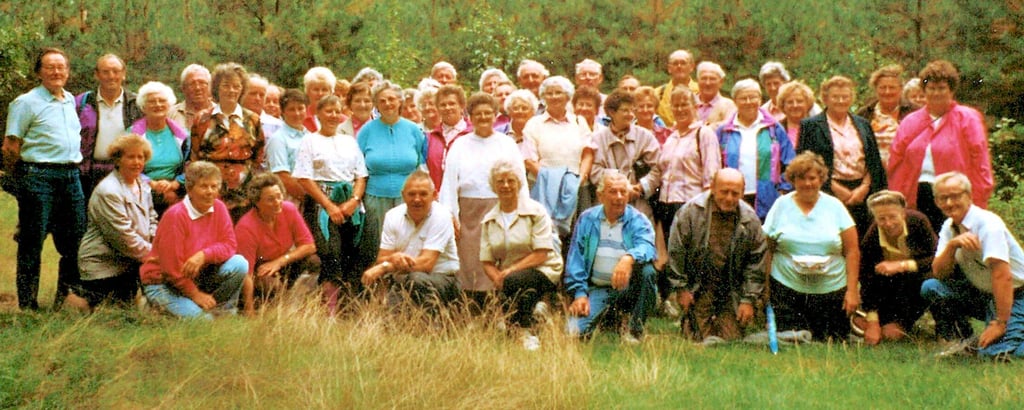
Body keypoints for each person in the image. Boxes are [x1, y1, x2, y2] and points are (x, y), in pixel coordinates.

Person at [3, 47, 88, 310]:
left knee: (74, 242)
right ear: (39, 71)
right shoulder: (25, 103)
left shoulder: (69, 100)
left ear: (68, 71)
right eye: (50, 67)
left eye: (61, 67)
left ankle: (64, 300)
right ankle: (28, 305)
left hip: (70, 175)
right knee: (32, 242)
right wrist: (22, 179)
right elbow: (10, 146)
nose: (56, 71)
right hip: (38, 175)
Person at [439, 92, 528, 305]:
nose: (483, 117)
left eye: (488, 113)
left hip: (501, 206)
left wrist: (522, 210)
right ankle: (472, 308)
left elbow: (520, 179)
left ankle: (499, 307)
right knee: (471, 261)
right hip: (469, 211)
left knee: (500, 257)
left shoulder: (506, 144)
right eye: (478, 113)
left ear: (496, 115)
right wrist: (450, 215)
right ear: (469, 116)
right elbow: (449, 182)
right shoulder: (460, 145)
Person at [923, 172, 1024, 358]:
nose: (949, 203)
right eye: (943, 198)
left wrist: (1000, 322)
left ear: (969, 196)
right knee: (931, 287)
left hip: (1016, 294)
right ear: (936, 202)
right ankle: (964, 340)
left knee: (995, 354)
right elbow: (939, 272)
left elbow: (1003, 276)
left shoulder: (988, 225)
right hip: (984, 294)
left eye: (955, 196)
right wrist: (953, 245)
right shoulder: (949, 226)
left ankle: (1001, 336)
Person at [762, 152, 860, 340]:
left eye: (812, 178)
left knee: (832, 339)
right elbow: (767, 249)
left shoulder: (835, 206)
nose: (807, 183)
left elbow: (852, 250)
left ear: (821, 179)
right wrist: (766, 288)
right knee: (792, 339)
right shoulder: (781, 205)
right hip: (787, 286)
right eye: (801, 178)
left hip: (831, 289)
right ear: (792, 180)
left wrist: (852, 291)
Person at [640, 86, 722, 311]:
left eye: (684, 104)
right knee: (670, 255)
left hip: (692, 204)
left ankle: (696, 303)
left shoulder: (703, 134)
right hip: (667, 203)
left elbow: (712, 174)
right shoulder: (671, 137)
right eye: (675, 105)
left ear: (694, 106)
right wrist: (638, 188)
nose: (680, 109)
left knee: (691, 256)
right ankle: (670, 301)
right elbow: (659, 172)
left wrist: (707, 206)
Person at [888, 60, 993, 232]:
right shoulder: (910, 121)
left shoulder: (968, 118)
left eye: (942, 88)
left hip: (954, 197)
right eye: (931, 88)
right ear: (924, 90)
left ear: (951, 90)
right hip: (917, 197)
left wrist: (977, 204)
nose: (936, 93)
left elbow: (980, 163)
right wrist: (897, 201)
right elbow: (896, 163)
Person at [668, 168, 766, 343]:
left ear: (743, 193)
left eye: (735, 193)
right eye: (724, 192)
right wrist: (682, 289)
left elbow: (756, 262)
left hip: (731, 289)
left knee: (730, 340)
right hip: (699, 286)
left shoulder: (750, 220)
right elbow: (676, 252)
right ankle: (690, 319)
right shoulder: (690, 212)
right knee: (698, 338)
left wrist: (748, 300)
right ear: (712, 188)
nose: (729, 198)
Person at [140, 161, 248, 319]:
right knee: (204, 322)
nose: (210, 192)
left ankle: (224, 313)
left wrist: (204, 255)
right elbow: (171, 270)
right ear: (189, 189)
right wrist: (195, 294)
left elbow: (230, 245)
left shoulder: (219, 207)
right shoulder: (176, 216)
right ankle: (152, 306)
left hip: (197, 277)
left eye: (214, 186)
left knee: (239, 263)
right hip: (163, 283)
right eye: (204, 186)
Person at [292, 95, 368, 314]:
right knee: (330, 252)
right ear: (318, 113)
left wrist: (353, 201)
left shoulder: (349, 141)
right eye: (328, 111)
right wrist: (329, 206)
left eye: (337, 111)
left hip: (349, 202)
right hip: (320, 203)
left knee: (350, 252)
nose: (333, 116)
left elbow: (360, 175)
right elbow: (304, 177)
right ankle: (329, 310)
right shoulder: (310, 140)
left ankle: (349, 307)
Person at [565, 171, 657, 344]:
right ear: (600, 196)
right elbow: (575, 260)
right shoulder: (587, 219)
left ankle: (634, 331)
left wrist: (628, 258)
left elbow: (648, 247)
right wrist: (580, 294)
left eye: (623, 192)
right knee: (573, 334)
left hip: (628, 289)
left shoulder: (638, 220)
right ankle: (609, 320)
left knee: (648, 272)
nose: (619, 197)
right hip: (598, 288)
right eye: (613, 192)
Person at [480, 160, 563, 350]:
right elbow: (486, 260)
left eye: (511, 181)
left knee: (515, 283)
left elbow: (542, 253)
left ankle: (525, 332)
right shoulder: (489, 220)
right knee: (516, 288)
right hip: (510, 277)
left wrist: (509, 272)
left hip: (544, 269)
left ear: (519, 184)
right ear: (494, 186)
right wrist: (498, 279)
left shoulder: (536, 212)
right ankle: (535, 314)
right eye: (500, 181)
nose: (506, 185)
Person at [74, 134, 158, 310]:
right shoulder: (109, 191)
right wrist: (157, 256)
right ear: (118, 160)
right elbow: (123, 238)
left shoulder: (142, 183)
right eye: (131, 157)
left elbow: (152, 218)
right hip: (104, 267)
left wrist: (156, 243)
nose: (137, 162)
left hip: (131, 262)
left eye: (140, 157)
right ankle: (77, 301)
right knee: (115, 315)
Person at [797, 75, 887, 238]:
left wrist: (864, 187)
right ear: (825, 98)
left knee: (863, 240)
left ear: (852, 98)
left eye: (845, 97)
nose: (840, 101)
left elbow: (873, 159)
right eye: (835, 97)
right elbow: (805, 162)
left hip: (863, 192)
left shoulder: (863, 123)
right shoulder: (810, 126)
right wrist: (836, 188)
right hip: (828, 190)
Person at [362, 170, 460, 311]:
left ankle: (435, 326)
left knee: (416, 279)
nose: (417, 199)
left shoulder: (442, 216)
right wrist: (393, 258)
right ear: (403, 196)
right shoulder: (392, 216)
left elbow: (426, 264)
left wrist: (387, 266)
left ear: (434, 195)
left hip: (441, 280)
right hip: (405, 280)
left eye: (423, 194)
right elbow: (381, 258)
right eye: (412, 194)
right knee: (389, 322)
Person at [357, 81, 427, 274]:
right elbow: (357, 167)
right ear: (376, 105)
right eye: (382, 100)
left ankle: (406, 291)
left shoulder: (414, 130)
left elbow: (421, 165)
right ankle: (379, 293)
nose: (387, 104)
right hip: (375, 199)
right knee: (379, 247)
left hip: (410, 199)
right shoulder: (366, 131)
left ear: (400, 101)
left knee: (409, 245)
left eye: (391, 99)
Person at [858, 190, 935, 345]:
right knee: (889, 334)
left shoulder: (918, 222)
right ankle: (875, 319)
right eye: (881, 219)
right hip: (888, 287)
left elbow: (934, 258)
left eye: (893, 217)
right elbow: (867, 278)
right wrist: (873, 322)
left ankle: (933, 326)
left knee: (930, 281)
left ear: (903, 214)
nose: (888, 223)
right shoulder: (871, 237)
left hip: (918, 282)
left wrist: (901, 265)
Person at [191, 62, 266, 221]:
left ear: (242, 89)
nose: (231, 90)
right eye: (226, 85)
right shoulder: (202, 119)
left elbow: (258, 154)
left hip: (243, 191)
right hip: (210, 190)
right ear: (217, 87)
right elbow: (194, 155)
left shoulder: (252, 120)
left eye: (236, 86)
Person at [235, 173, 317, 313]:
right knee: (272, 285)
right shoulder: (246, 227)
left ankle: (299, 305)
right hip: (259, 271)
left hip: (282, 262)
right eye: (270, 199)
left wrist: (280, 261)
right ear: (257, 202)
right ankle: (273, 311)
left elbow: (309, 246)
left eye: (279, 196)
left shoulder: (289, 209)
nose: (278, 202)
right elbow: (246, 275)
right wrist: (249, 312)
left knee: (314, 261)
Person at [716, 79, 796, 220]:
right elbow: (714, 165)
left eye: (753, 97)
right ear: (735, 101)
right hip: (731, 198)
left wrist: (783, 190)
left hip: (769, 199)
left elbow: (791, 162)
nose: (748, 102)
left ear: (760, 99)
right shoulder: (724, 131)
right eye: (743, 98)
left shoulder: (774, 128)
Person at [76, 54, 144, 200]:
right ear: (97, 75)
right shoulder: (82, 102)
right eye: (105, 72)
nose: (111, 76)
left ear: (123, 74)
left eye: (116, 71)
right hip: (89, 173)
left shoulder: (136, 104)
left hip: (125, 172)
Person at [586, 90, 660, 218]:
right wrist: (621, 188)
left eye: (632, 110)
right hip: (607, 205)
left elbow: (658, 168)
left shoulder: (645, 137)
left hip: (639, 204)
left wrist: (640, 187)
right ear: (611, 112)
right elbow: (594, 170)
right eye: (625, 110)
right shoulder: (597, 139)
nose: (630, 115)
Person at [129, 81, 191, 215]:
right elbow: (125, 167)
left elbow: (192, 165)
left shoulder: (183, 135)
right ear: (143, 107)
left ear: (169, 105)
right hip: (139, 192)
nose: (157, 105)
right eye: (152, 101)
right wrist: (152, 184)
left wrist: (174, 184)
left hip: (176, 192)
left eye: (162, 101)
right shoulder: (132, 135)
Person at [522, 76, 589, 179]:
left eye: (558, 92)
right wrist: (551, 182)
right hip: (543, 184)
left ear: (567, 96)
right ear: (543, 97)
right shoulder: (534, 124)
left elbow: (587, 154)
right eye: (549, 93)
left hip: (576, 184)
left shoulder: (579, 122)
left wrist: (580, 179)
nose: (554, 96)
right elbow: (529, 159)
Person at [856, 65, 915, 165]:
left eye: (892, 88)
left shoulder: (914, 112)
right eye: (883, 88)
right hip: (873, 174)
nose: (887, 92)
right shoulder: (864, 114)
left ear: (901, 89)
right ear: (875, 89)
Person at [425, 85, 473, 191]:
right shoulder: (430, 138)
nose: (447, 108)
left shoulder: (473, 134)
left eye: (452, 103)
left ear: (462, 106)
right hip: (437, 196)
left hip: (467, 197)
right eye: (443, 105)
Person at [265, 89, 309, 201]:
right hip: (292, 201)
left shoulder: (311, 136)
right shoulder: (278, 139)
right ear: (283, 112)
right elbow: (282, 177)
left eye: (300, 108)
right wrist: (310, 200)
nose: (297, 113)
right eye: (291, 109)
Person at [655, 49, 701, 128]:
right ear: (669, 68)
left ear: (691, 67)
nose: (679, 66)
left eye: (683, 63)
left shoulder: (701, 91)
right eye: (675, 63)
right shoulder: (658, 93)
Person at [169, 64, 214, 131]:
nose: (197, 88)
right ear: (183, 88)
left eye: (202, 82)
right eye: (192, 84)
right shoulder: (170, 115)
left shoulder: (220, 114)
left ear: (210, 86)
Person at [694, 61, 736, 129]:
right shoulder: (688, 103)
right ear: (697, 80)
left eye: (712, 79)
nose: (708, 83)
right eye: (704, 78)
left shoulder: (729, 105)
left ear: (721, 82)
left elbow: (729, 126)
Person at [241, 73, 283, 141]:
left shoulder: (277, 126)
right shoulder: (233, 121)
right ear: (242, 94)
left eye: (262, 95)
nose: (258, 98)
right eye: (253, 94)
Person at [503, 89, 540, 163]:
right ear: (509, 111)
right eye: (516, 108)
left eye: (525, 108)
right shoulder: (500, 131)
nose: (520, 111)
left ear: (533, 111)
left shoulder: (539, 132)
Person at [775, 80, 815, 147]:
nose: (795, 105)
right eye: (790, 102)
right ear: (783, 105)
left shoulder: (818, 128)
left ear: (808, 103)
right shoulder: (775, 129)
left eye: (799, 101)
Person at [301, 67, 337, 132]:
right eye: (316, 89)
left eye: (324, 90)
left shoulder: (341, 119)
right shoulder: (300, 118)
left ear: (331, 93)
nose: (320, 93)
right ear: (307, 91)